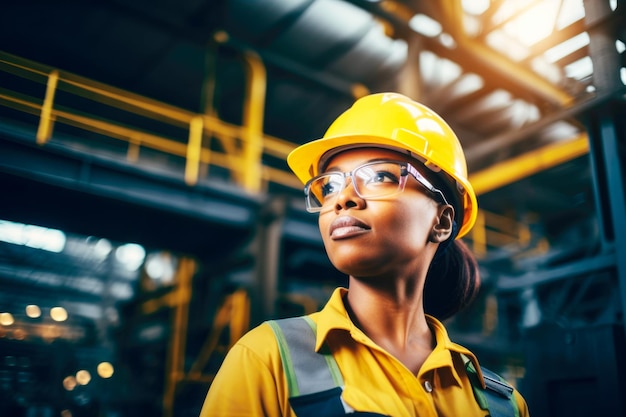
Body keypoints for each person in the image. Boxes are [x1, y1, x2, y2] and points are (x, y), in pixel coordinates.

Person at [199, 92, 530, 416]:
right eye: (328, 187)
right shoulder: (266, 360)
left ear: (442, 221)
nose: (342, 198)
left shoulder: (503, 404)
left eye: (379, 176)